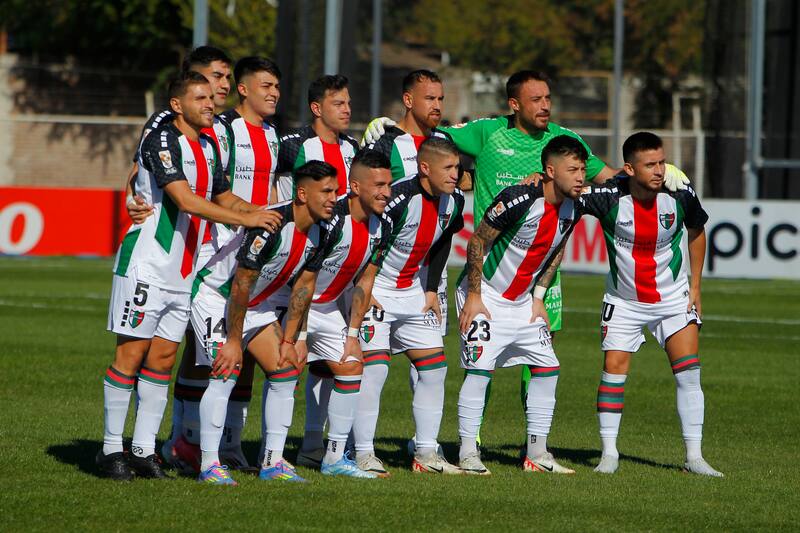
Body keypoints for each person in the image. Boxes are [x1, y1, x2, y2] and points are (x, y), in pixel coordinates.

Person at [365, 69, 690, 447]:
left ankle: (533, 444)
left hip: (542, 275)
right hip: (490, 271)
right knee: (478, 363)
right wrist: (391, 131)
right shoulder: (487, 132)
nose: (545, 106)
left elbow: (612, 177)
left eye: (548, 98)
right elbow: (433, 143)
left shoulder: (565, 140)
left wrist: (663, 172)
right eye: (536, 100)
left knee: (540, 358)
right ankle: (473, 441)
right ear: (514, 104)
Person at [98, 71, 279, 481]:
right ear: (177, 105)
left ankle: (143, 450)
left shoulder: (209, 145)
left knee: (162, 359)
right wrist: (241, 217)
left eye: (211, 97)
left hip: (184, 271)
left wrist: (256, 213)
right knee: (130, 356)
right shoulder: (163, 139)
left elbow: (220, 194)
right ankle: (110, 450)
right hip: (147, 263)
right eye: (200, 97)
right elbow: (185, 199)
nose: (210, 103)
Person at [535, 131, 723, 477]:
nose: (659, 170)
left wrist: (696, 287)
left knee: (689, 373)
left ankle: (694, 457)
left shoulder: (679, 193)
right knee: (613, 372)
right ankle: (609, 454)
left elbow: (697, 231)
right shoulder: (607, 197)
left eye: (661, 162)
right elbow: (564, 193)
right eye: (649, 164)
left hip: (672, 298)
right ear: (628, 169)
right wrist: (538, 180)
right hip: (624, 301)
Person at [163, 55, 285, 473]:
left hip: (252, 252)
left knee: (245, 350)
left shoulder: (272, 134)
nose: (273, 93)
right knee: (202, 354)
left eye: (277, 86)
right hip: (214, 251)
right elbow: (214, 188)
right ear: (245, 90)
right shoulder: (221, 129)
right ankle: (184, 440)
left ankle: (229, 445)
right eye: (265, 85)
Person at [191, 160, 338, 485]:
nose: (333, 198)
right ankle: (209, 465)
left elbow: (304, 286)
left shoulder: (324, 230)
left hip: (256, 303)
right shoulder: (271, 225)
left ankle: (272, 462)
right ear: (302, 193)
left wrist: (291, 339)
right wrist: (233, 340)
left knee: (286, 368)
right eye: (326, 190)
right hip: (217, 297)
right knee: (225, 371)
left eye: (336, 191)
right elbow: (240, 283)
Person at [456, 135, 588, 475]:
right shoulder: (519, 197)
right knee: (480, 371)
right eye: (572, 169)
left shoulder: (575, 205)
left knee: (547, 368)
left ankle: (537, 453)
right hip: (484, 295)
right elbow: (477, 241)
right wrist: (474, 296)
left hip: (523, 304)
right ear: (548, 171)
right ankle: (468, 452)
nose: (580, 176)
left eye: (582, 169)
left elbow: (557, 249)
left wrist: (539, 296)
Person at [353, 137, 465, 476]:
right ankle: (362, 453)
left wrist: (431, 290)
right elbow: (365, 237)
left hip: (414, 292)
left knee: (434, 369)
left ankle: (427, 453)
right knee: (374, 371)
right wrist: (363, 285)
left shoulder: (455, 201)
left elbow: (445, 239)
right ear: (425, 168)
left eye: (457, 168)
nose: (455, 175)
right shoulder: (398, 199)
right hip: (378, 290)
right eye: (448, 168)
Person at [286, 150, 395, 478]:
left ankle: (332, 458)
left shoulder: (383, 224)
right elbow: (304, 280)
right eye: (378, 185)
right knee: (283, 371)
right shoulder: (331, 220)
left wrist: (351, 334)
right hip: (291, 304)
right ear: (355, 187)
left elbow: (366, 279)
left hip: (330, 307)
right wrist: (301, 336)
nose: (386, 193)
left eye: (389, 185)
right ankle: (270, 455)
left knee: (350, 366)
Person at [275, 74, 360, 201]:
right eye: (339, 104)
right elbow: (269, 185)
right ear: (317, 109)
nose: (347, 110)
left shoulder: (352, 146)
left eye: (348, 104)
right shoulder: (291, 145)